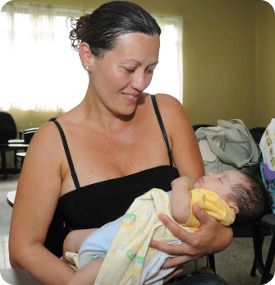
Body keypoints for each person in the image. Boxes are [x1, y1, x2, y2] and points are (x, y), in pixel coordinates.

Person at [9, 1, 232, 284]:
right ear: (87, 56)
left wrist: (219, 237)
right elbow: (23, 249)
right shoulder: (52, 142)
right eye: (129, 68)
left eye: (150, 69)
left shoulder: (167, 112)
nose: (141, 83)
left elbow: (206, 207)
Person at [63, 170, 269, 285]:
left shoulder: (211, 207)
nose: (212, 173)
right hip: (122, 232)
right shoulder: (205, 198)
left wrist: (180, 183)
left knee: (98, 269)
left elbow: (179, 211)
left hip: (119, 251)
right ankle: (73, 265)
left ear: (230, 207)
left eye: (220, 178)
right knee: (73, 240)